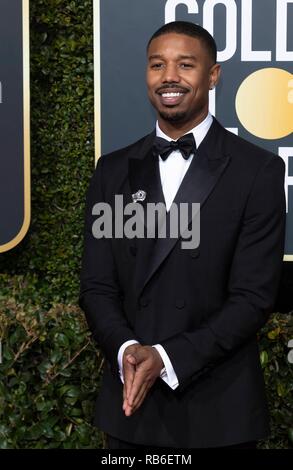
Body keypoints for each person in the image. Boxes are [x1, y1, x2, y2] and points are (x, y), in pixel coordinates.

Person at [79, 21, 286, 449]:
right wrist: (128, 351)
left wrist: (168, 358)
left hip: (219, 412)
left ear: (212, 75)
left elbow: (253, 298)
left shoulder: (258, 171)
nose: (169, 76)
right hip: (132, 410)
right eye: (158, 65)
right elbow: (97, 285)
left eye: (185, 64)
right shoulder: (112, 171)